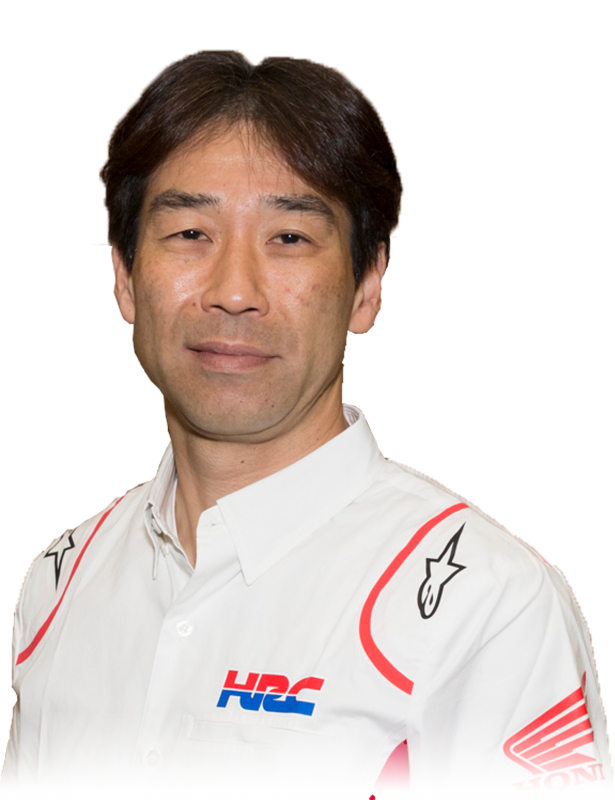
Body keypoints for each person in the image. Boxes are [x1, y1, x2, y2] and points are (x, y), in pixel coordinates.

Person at [2, 50, 611, 800]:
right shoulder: (59, 583)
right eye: (189, 232)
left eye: (289, 238)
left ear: (366, 286)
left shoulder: (487, 606)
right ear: (124, 276)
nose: (234, 291)